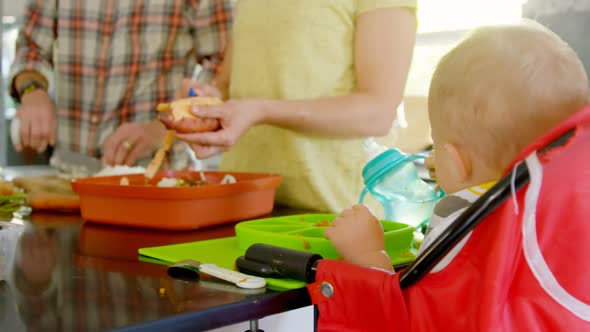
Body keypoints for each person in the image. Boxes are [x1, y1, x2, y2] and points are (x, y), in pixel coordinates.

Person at [316, 21, 590, 331]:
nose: (431, 158)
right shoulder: (567, 213)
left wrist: (367, 253)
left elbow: (415, 315)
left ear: (459, 163)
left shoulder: (471, 228)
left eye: (437, 144)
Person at [163, 1, 418, 213]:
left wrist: (261, 111)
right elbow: (228, 86)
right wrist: (204, 99)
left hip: (336, 216)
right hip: (245, 202)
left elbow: (378, 112)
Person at [9, 0, 233, 168]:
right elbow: (31, 47)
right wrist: (33, 92)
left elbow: (222, 67)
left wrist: (161, 129)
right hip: (69, 175)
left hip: (158, 177)